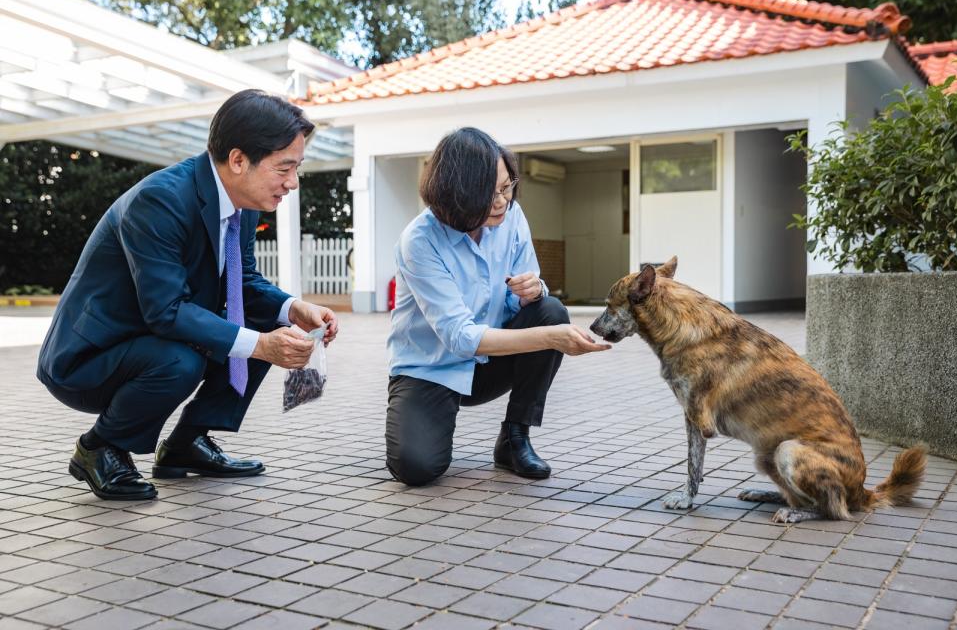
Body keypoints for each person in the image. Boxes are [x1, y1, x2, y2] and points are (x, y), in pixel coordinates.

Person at [36, 89, 338, 501]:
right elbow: (166, 311)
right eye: (284, 168)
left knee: (270, 322)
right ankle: (99, 448)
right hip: (89, 359)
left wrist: (293, 308)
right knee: (185, 359)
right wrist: (262, 347)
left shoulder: (243, 201)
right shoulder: (159, 200)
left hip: (150, 340)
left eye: (297, 167)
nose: (293, 182)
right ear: (237, 160)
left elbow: (243, 282)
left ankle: (185, 445)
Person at [385, 127, 610, 486]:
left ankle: (514, 438)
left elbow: (524, 296)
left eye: (506, 188)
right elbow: (459, 337)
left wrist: (532, 291)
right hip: (432, 369)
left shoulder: (512, 217)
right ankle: (431, 419)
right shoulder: (420, 240)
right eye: (489, 193)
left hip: (491, 363)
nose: (502, 201)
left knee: (550, 309)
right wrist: (550, 338)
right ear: (456, 194)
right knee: (416, 468)